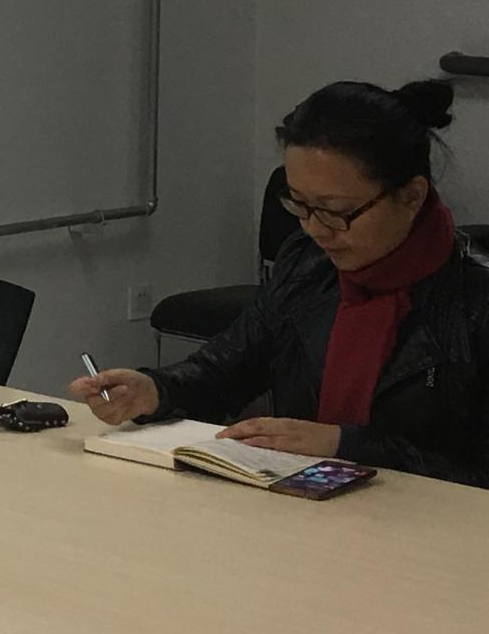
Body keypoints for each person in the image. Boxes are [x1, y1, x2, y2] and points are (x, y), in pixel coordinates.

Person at [72, 79, 489, 488]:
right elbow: (224, 370)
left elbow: (476, 473)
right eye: (299, 204)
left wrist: (348, 445)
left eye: (335, 210)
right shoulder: (308, 266)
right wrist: (155, 390)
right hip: (303, 504)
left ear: (412, 196)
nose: (315, 229)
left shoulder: (473, 302)